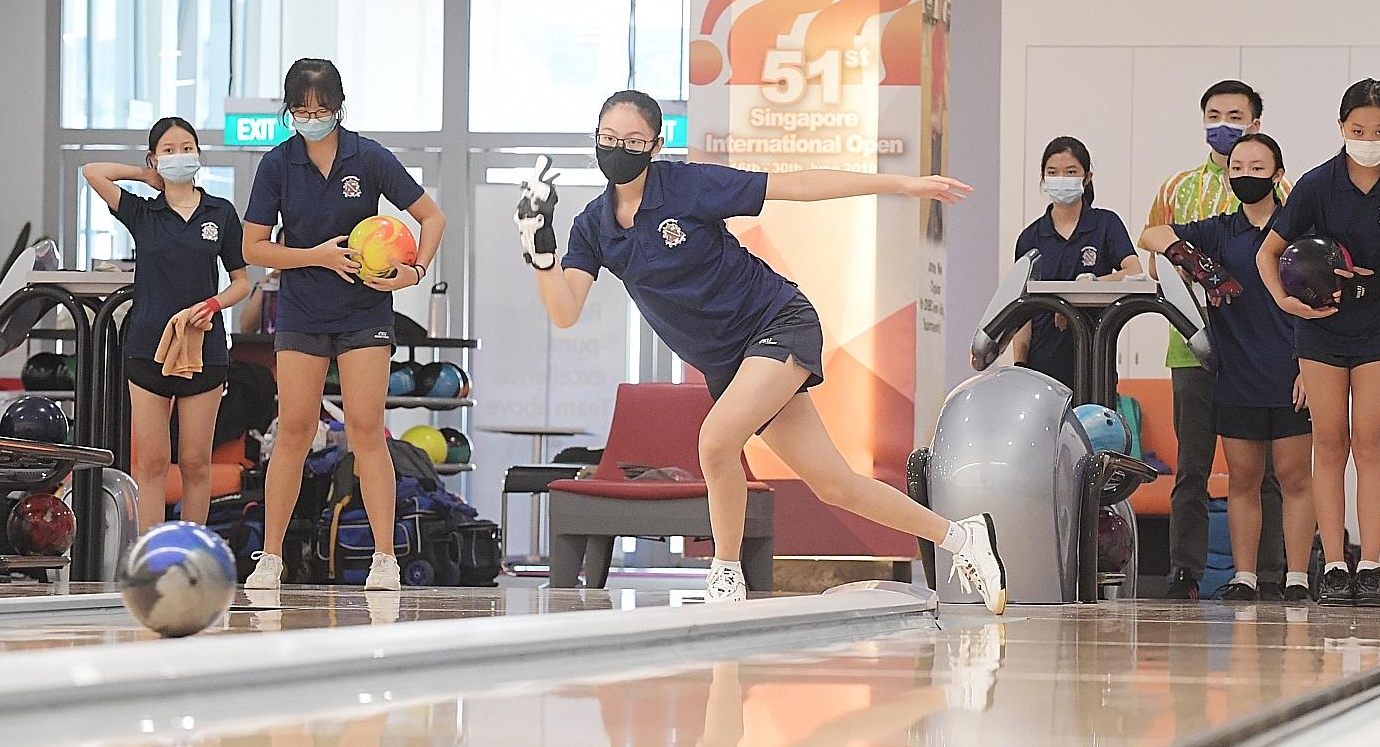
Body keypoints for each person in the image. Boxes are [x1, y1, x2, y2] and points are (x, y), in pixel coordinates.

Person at [516, 90, 1006, 613]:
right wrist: (541, 253)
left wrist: (901, 182)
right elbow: (565, 311)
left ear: (655, 145)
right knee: (835, 484)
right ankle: (962, 537)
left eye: (632, 140)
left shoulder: (688, 186)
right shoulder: (593, 226)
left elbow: (797, 186)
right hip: (731, 361)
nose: (618, 149)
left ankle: (726, 577)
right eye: (608, 139)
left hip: (778, 322)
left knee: (715, 440)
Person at [241, 58, 447, 592]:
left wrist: (412, 272)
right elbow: (253, 247)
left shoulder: (369, 157)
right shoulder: (277, 164)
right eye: (301, 111)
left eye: (321, 109)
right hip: (303, 311)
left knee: (365, 430)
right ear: (288, 111)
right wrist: (316, 256)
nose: (311, 118)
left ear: (339, 107)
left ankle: (384, 559)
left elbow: (433, 217)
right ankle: (270, 558)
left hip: (364, 312)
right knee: (293, 431)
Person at [1258, 78, 1380, 608]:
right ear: (1341, 128)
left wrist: (1379, 282)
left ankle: (1371, 565)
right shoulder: (1316, 185)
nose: (1369, 138)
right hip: (1320, 329)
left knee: (1371, 439)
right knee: (1329, 441)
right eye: (1358, 129)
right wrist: (1287, 303)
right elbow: (1267, 254)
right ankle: (1334, 564)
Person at [1140, 133, 1314, 603]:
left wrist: (1309, 368)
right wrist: (1192, 259)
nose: (1246, 176)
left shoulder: (1297, 228)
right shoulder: (1219, 229)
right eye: (1237, 167)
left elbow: (1319, 302)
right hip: (1235, 371)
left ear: (1278, 175)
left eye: (1258, 167)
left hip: (1292, 371)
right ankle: (1245, 577)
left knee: (1295, 479)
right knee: (1243, 481)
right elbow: (1153, 234)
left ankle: (1296, 577)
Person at [82, 117, 251, 533]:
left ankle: (191, 553)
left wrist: (212, 304)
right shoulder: (142, 212)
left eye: (188, 147)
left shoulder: (221, 212)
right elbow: (92, 172)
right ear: (155, 158)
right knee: (152, 461)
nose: (181, 156)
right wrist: (146, 176)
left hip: (205, 348)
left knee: (195, 460)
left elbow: (242, 281)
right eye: (170, 150)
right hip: (146, 346)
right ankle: (151, 554)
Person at [1011, 137, 1141, 388]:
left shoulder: (1105, 224)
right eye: (1053, 172)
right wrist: (1020, 366)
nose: (1062, 178)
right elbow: (1022, 312)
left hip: (1094, 360)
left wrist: (1089, 284)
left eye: (1071, 172)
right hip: (1042, 365)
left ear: (1087, 177)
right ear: (1043, 177)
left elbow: (1133, 271)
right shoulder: (1031, 237)